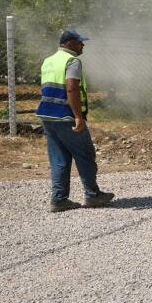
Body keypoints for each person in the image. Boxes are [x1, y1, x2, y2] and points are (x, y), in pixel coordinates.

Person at [36, 29, 115, 212]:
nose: (83, 45)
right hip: (66, 116)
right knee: (85, 154)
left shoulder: (48, 61)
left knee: (59, 159)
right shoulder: (72, 61)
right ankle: (93, 195)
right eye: (80, 42)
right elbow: (71, 89)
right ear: (70, 44)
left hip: (48, 116)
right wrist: (78, 116)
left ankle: (59, 199)